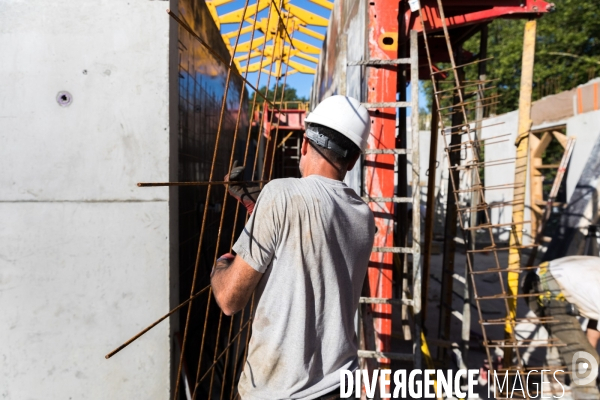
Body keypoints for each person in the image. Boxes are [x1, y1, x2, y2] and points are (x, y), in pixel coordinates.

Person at [210, 95, 376, 400]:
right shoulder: (364, 217)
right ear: (352, 160)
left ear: (304, 143)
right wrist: (258, 211)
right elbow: (312, 249)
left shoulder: (279, 195)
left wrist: (223, 262)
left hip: (278, 391)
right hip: (341, 388)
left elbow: (229, 300)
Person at [523, 255, 600, 398]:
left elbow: (594, 330)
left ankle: (552, 392)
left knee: (566, 345)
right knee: (586, 358)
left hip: (541, 280)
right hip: (545, 288)